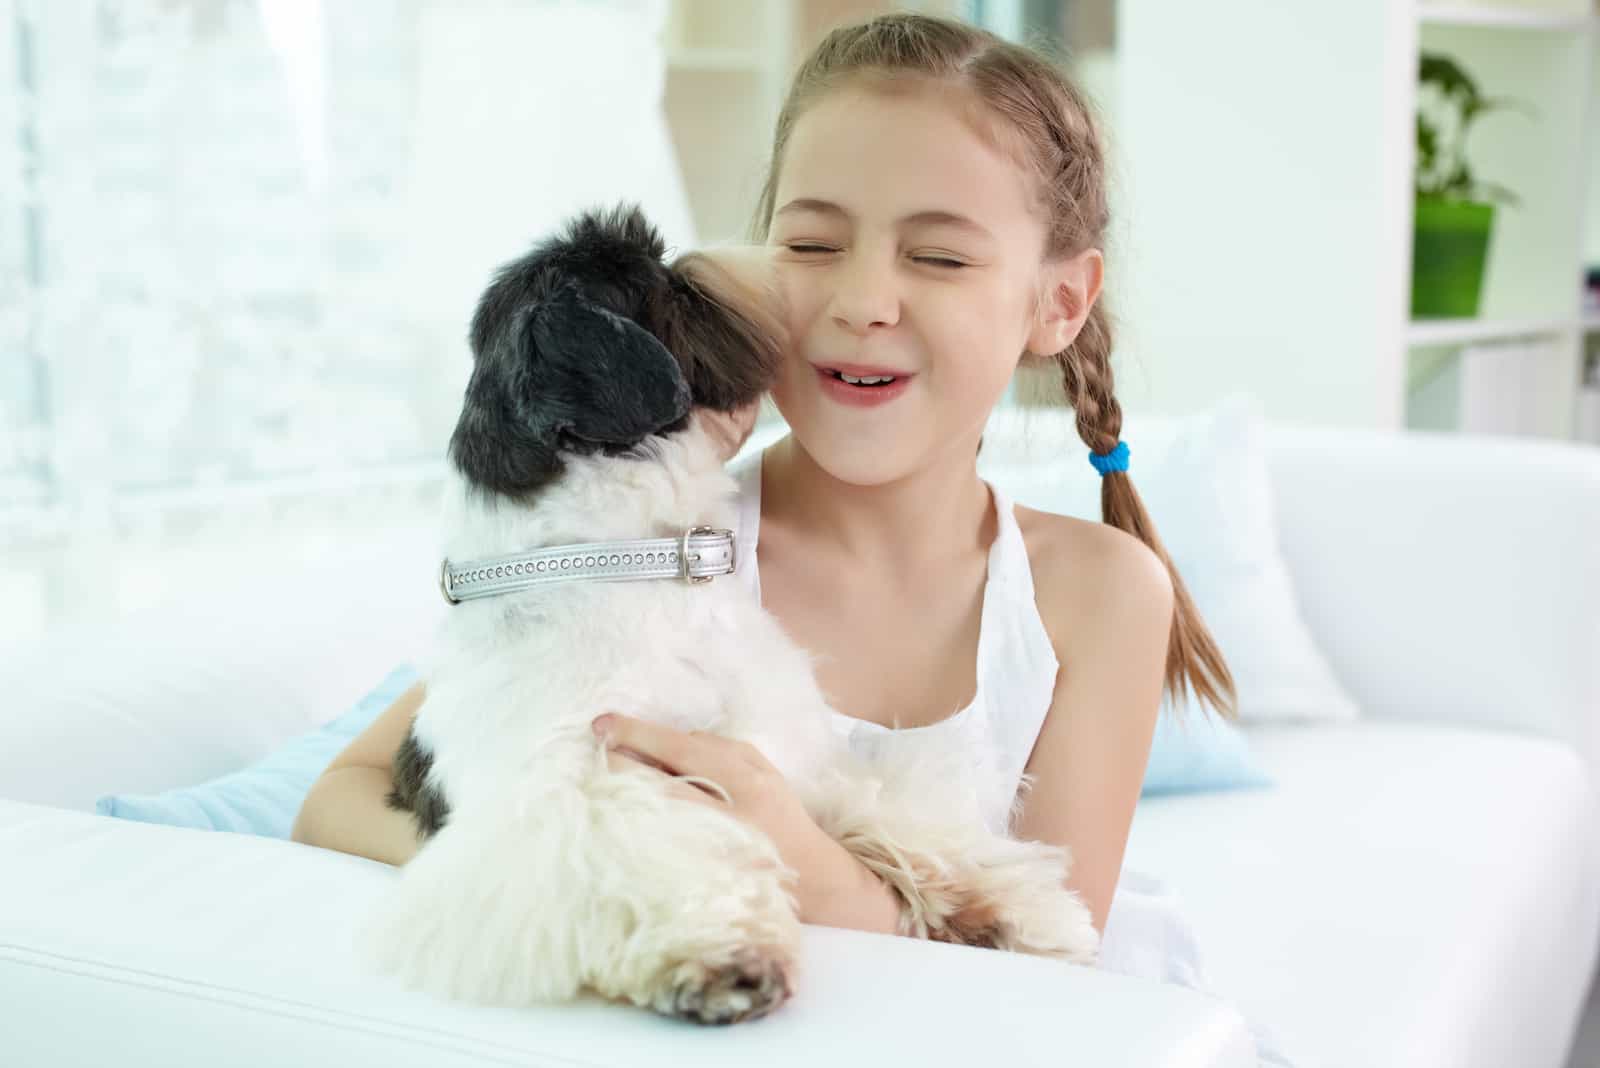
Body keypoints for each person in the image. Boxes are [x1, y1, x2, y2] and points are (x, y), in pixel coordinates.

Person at [294, 12, 1295, 1060]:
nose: (862, 300)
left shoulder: (1098, 593)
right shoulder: (652, 553)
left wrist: (800, 860)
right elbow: (344, 795)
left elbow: (1037, 979)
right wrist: (580, 860)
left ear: (1055, 304)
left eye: (941, 257)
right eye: (813, 244)